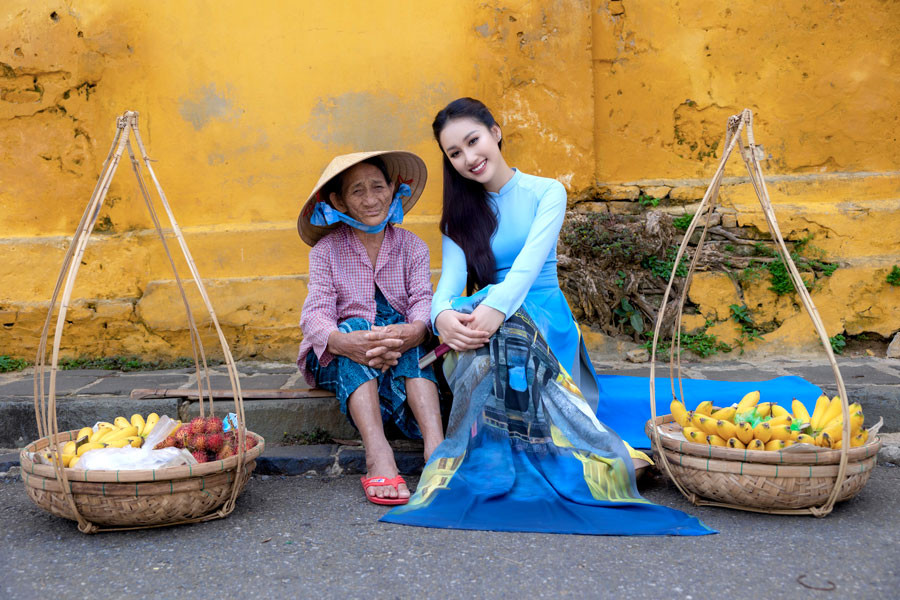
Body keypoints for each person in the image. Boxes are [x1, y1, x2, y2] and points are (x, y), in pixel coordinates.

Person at [380, 98, 715, 536]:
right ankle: (520, 461)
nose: (468, 158)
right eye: (455, 153)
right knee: (485, 339)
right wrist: (442, 316)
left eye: (473, 141)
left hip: (541, 316)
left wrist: (493, 311)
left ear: (495, 132)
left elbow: (527, 269)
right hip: (484, 319)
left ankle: (560, 461)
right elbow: (447, 287)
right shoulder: (459, 216)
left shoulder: (546, 192)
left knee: (508, 336)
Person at [297, 151, 443, 506]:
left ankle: (437, 450)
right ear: (338, 201)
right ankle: (378, 455)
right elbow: (315, 314)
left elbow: (423, 299)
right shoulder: (326, 251)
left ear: (393, 189)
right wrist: (344, 341)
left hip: (398, 351)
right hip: (338, 357)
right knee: (358, 325)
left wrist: (415, 330)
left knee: (409, 332)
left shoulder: (412, 246)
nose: (371, 199)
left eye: (378, 187)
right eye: (357, 191)